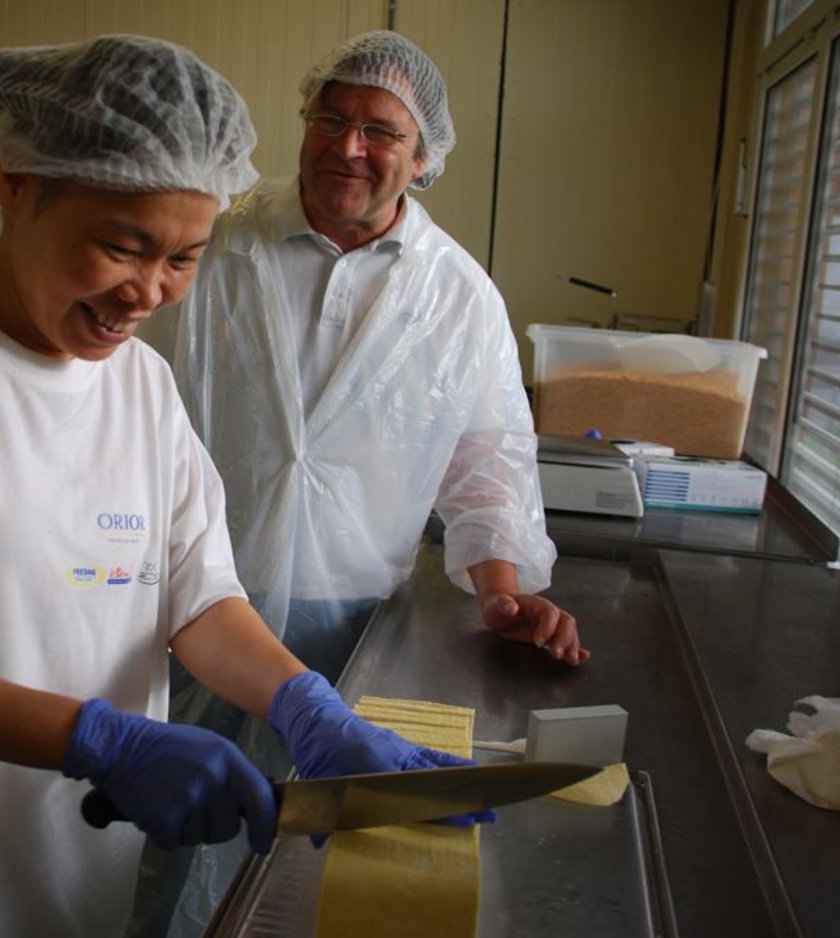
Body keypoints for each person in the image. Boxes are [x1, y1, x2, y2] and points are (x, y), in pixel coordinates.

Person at [0, 35, 490, 938]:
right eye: (122, 246)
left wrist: (307, 708)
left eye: (184, 259)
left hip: (66, 872)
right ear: (19, 185)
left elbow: (197, 594)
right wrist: (99, 740)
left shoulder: (139, 385)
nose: (147, 293)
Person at [128, 30, 588, 938]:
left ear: (423, 160)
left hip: (354, 623)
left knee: (320, 847)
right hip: (191, 605)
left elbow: (488, 458)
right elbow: (128, 399)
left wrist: (503, 592)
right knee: (170, 829)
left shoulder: (458, 297)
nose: (348, 146)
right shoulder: (215, 245)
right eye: (329, 119)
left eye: (379, 131)